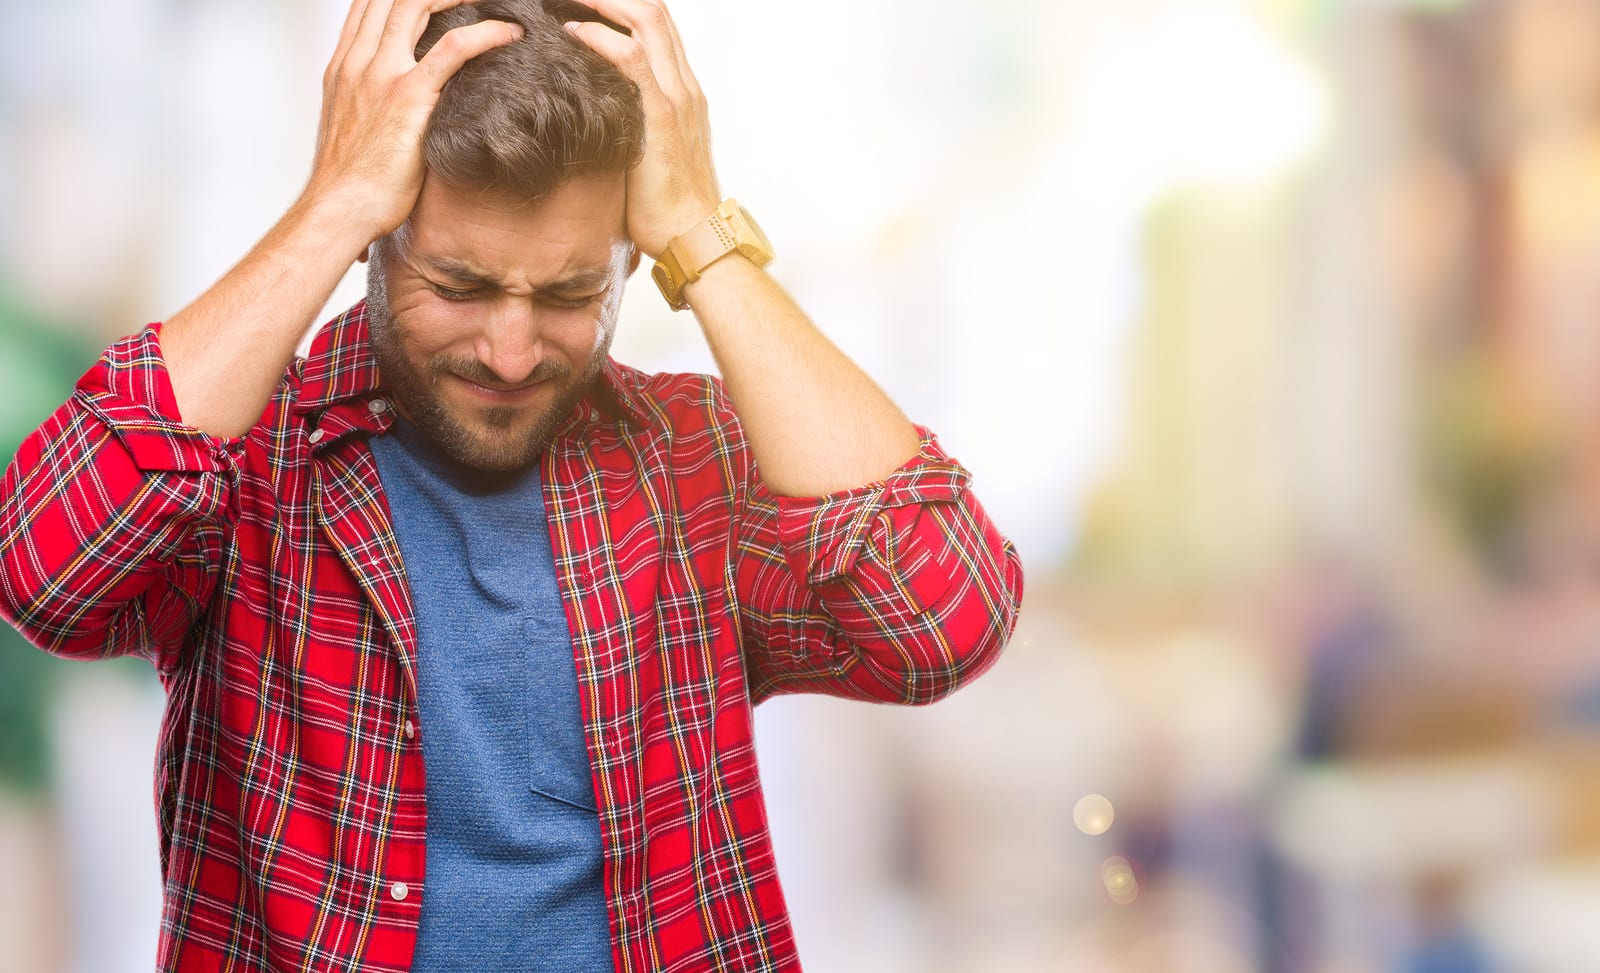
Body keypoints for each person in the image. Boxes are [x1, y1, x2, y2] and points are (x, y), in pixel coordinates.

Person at [0, 0, 1023, 970]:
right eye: (461, 285)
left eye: (573, 291)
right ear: (381, 237)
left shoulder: (691, 461)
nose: (511, 348)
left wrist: (700, 232)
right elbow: (46, 573)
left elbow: (945, 618)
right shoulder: (252, 464)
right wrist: (329, 203)